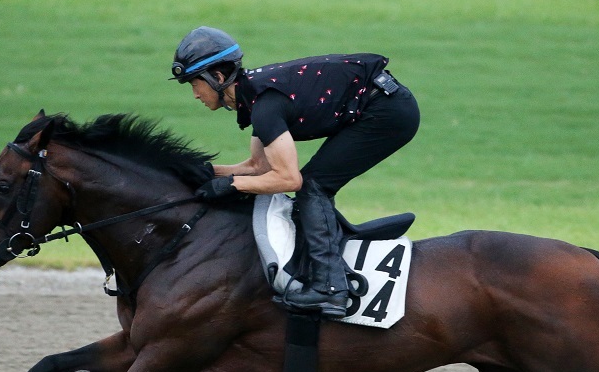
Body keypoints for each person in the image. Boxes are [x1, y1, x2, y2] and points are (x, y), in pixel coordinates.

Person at [171, 26, 420, 317]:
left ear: (218, 77)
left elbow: (288, 179)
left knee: (313, 187)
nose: (195, 95)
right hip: (380, 103)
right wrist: (205, 173)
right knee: (312, 185)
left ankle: (331, 290)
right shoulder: (256, 97)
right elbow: (257, 167)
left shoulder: (264, 106)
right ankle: (326, 273)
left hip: (387, 112)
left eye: (194, 84)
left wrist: (231, 186)